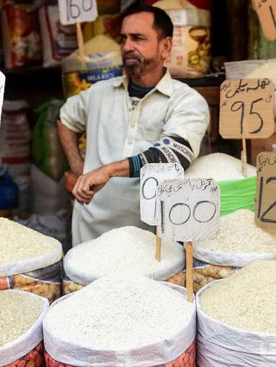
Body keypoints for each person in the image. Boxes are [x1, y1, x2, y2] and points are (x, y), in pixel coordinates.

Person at [58, 5, 210, 245]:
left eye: (138, 38)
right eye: (123, 39)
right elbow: (65, 119)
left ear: (166, 47)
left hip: (151, 239)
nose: (127, 46)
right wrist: (79, 169)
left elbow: (173, 154)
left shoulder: (187, 101)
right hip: (90, 234)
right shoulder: (98, 92)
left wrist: (107, 171)